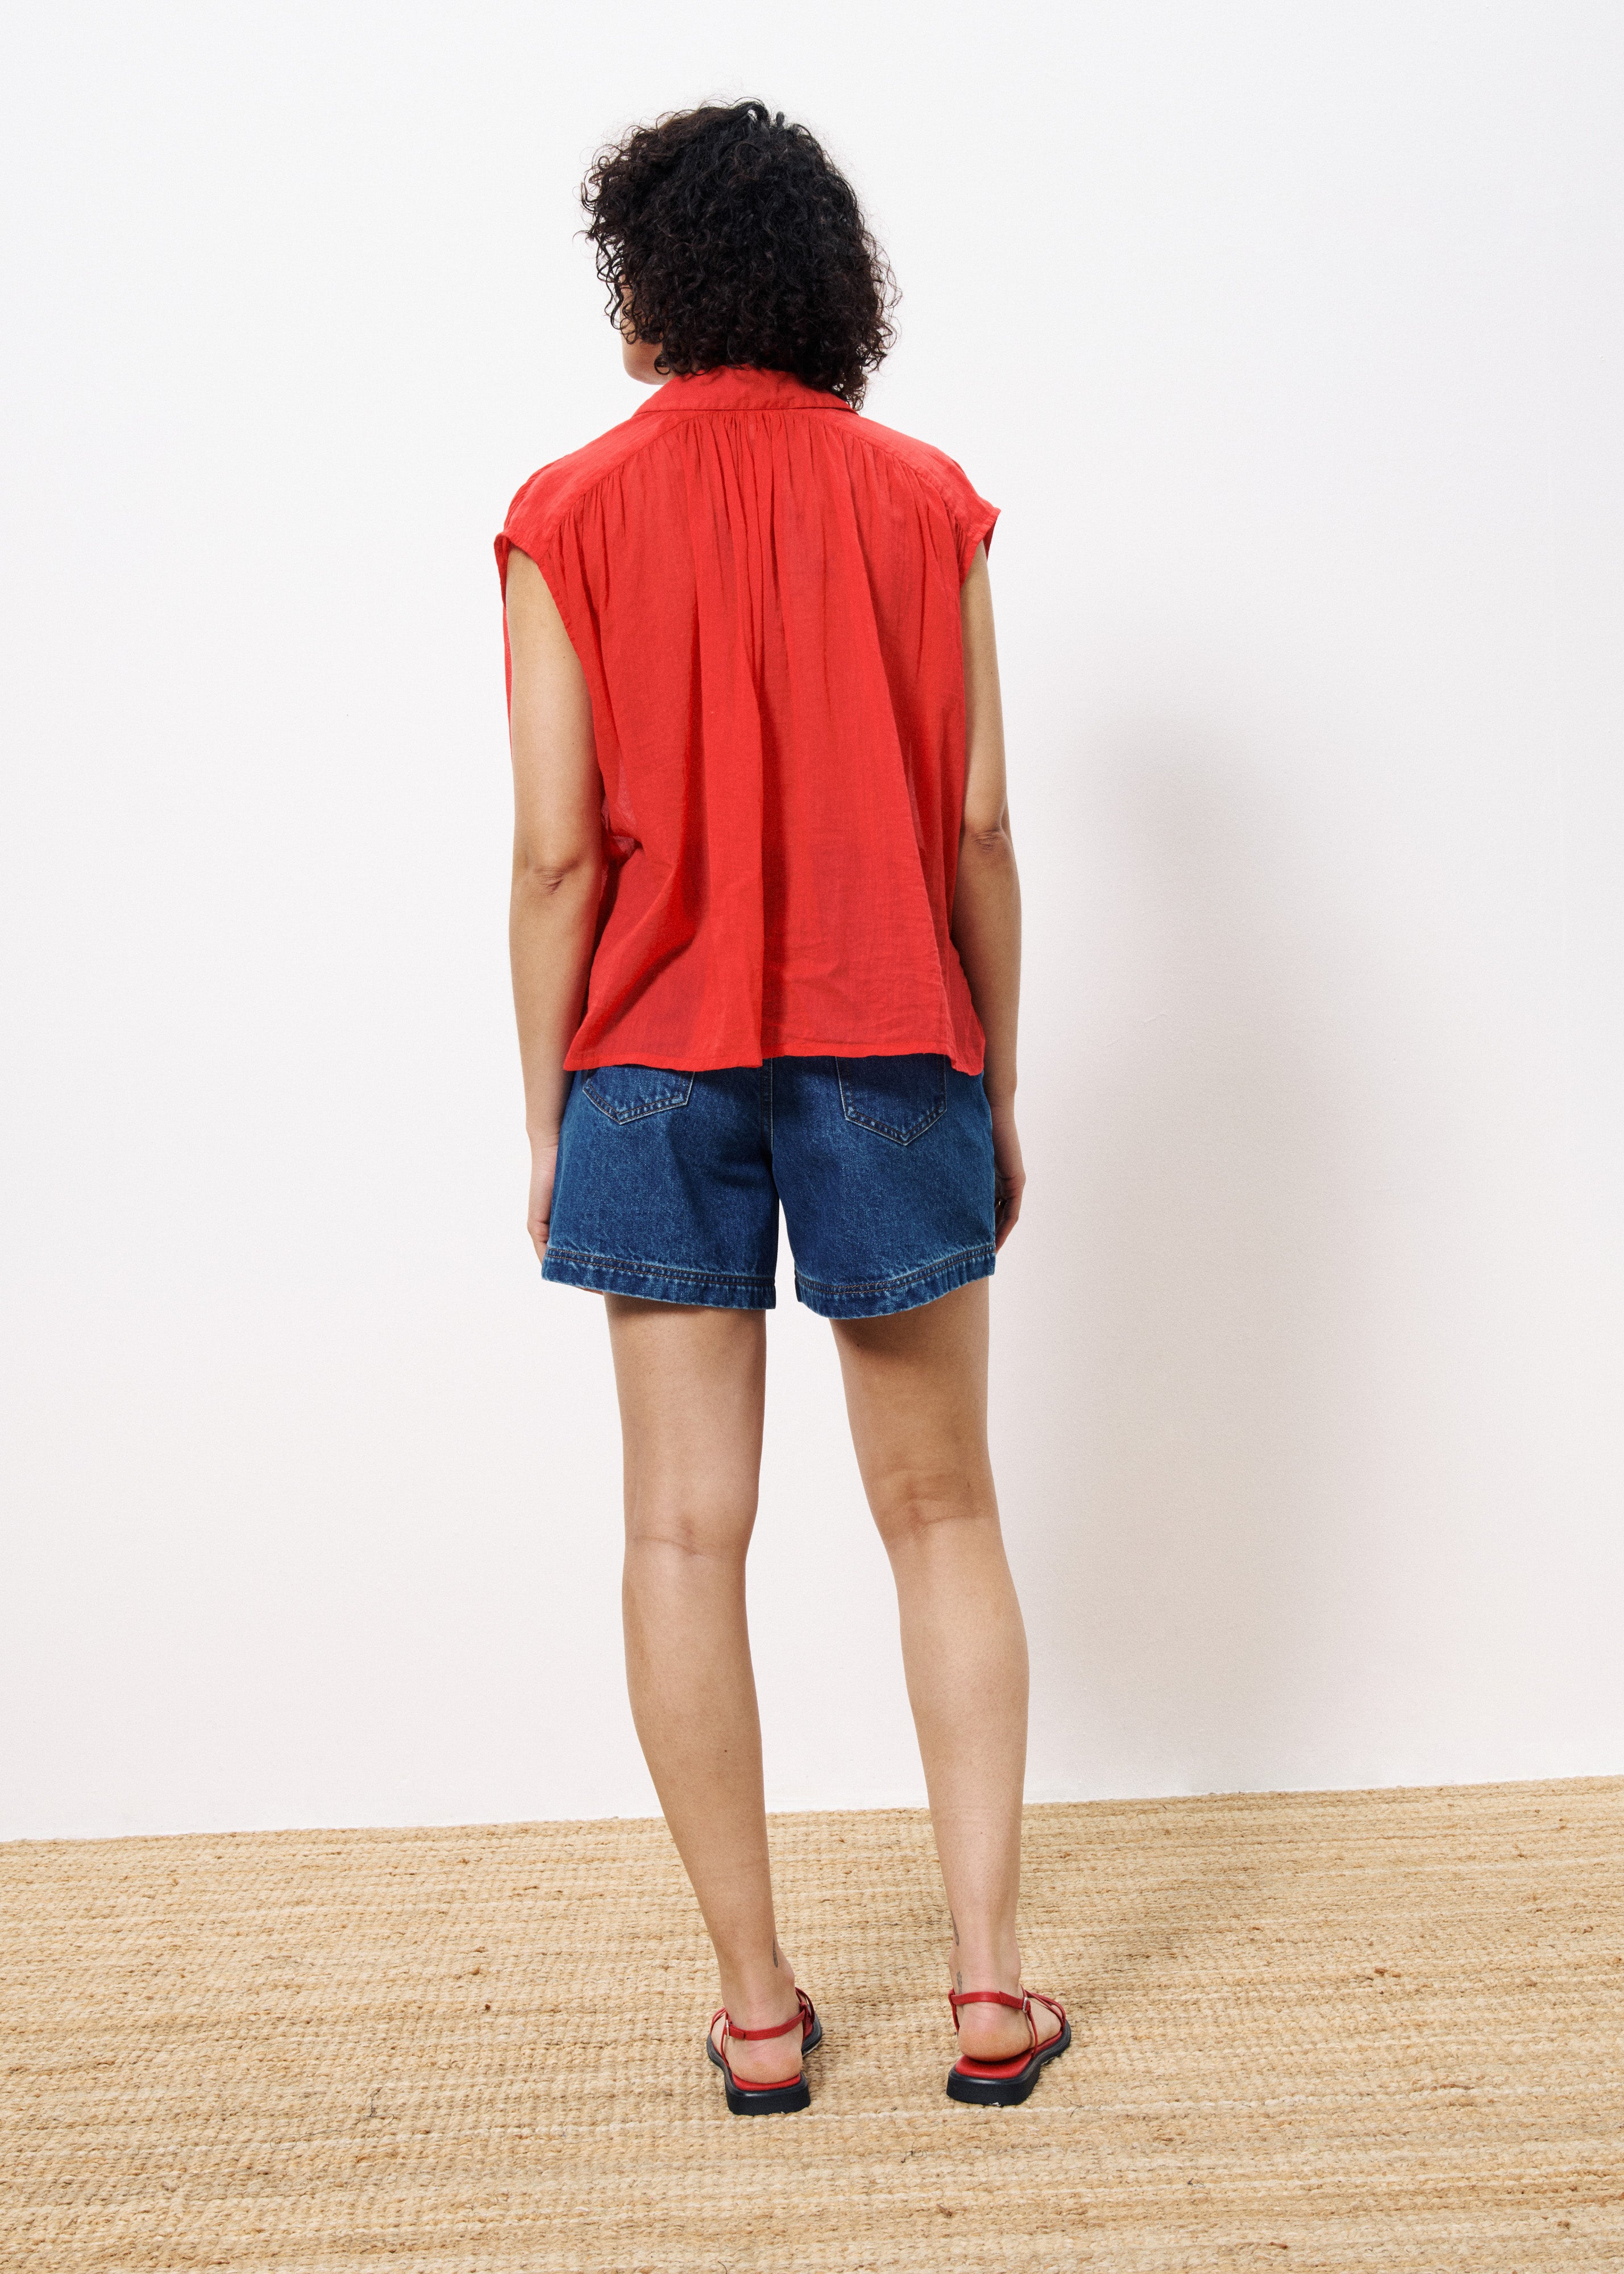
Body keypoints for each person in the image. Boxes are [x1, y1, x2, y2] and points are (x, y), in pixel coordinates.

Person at [496, 99, 1067, 2114]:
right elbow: (977, 825)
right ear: (830, 286)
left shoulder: (565, 512)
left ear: (647, 285)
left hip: (649, 1059)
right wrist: (993, 1076)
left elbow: (555, 856)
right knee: (944, 1510)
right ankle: (987, 1990)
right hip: (893, 1040)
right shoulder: (925, 504)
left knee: (678, 1531)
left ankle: (756, 2012)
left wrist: (550, 1108)